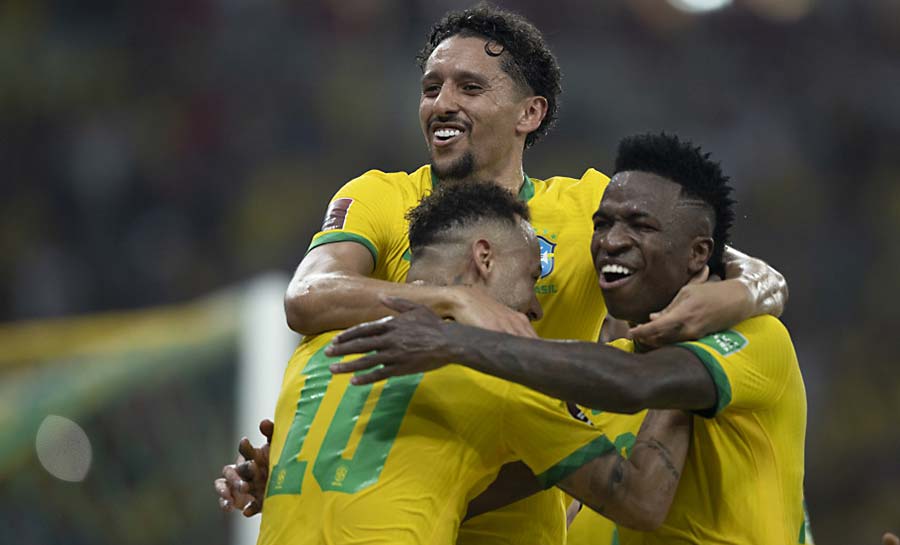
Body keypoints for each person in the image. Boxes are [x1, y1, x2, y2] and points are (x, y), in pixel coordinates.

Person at [217, 6, 789, 544]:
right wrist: (455, 307)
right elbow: (309, 296)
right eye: (430, 87)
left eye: (470, 87)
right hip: (415, 496)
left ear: (529, 113)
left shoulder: (587, 207)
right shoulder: (379, 196)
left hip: (513, 517)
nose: (442, 102)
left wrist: (740, 293)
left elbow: (720, 261)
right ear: (483, 260)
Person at [328, 133, 807, 544]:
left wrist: (454, 340)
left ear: (698, 252)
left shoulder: (755, 338)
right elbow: (467, 493)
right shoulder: (597, 381)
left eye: (640, 225)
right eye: (602, 224)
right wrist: (323, 477)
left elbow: (635, 383)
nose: (609, 242)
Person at [257, 180, 693, 544]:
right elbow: (639, 500)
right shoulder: (491, 377)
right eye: (531, 279)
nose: (536, 309)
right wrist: (684, 367)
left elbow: (401, 479)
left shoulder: (314, 355)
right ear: (484, 258)